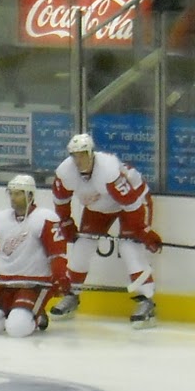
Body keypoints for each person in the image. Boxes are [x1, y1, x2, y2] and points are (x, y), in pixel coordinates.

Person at [51, 133, 160, 324]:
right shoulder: (65, 171)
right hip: (99, 205)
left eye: (83, 154)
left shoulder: (108, 170)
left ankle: (146, 300)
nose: (79, 160)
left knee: (129, 247)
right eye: (74, 155)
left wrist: (142, 231)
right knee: (83, 244)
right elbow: (61, 200)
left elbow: (132, 204)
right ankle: (71, 294)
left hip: (133, 202)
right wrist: (66, 221)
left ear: (91, 153)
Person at [0, 175, 70, 338]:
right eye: (11, 193)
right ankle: (16, 312)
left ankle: (37, 316)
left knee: (18, 329)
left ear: (30, 196)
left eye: (18, 194)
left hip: (35, 284)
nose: (13, 198)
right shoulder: (0, 219)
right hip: (5, 283)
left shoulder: (45, 219)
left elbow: (57, 254)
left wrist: (60, 276)